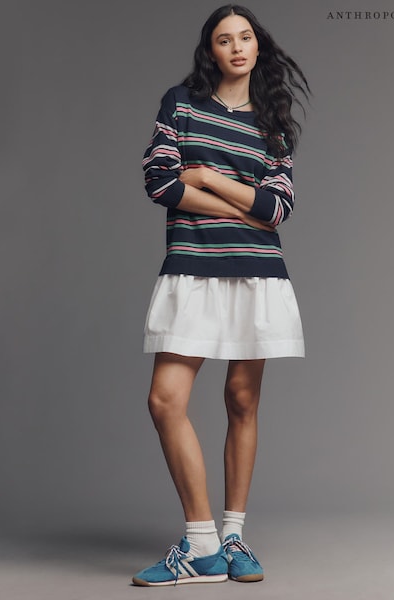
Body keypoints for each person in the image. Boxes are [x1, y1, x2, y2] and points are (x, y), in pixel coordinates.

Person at [132, 3, 311, 587]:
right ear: (210, 50)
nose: (236, 47)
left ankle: (232, 537)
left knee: (241, 401)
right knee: (166, 400)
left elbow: (277, 208)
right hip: (192, 266)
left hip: (256, 274)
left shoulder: (273, 123)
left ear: (258, 46)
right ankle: (202, 543)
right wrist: (241, 203)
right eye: (224, 39)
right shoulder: (181, 104)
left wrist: (206, 177)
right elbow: (160, 181)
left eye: (245, 37)